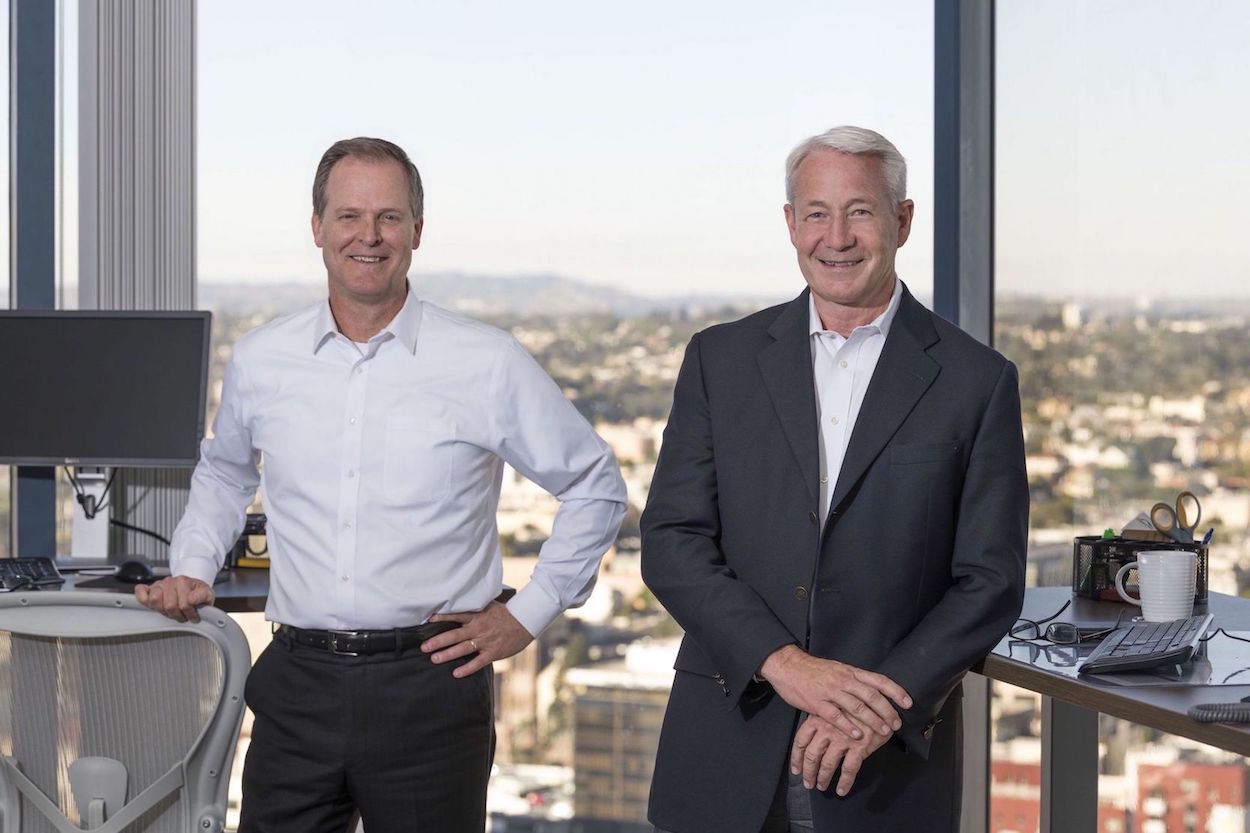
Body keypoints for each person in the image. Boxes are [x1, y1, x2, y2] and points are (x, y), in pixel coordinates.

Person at [136, 137, 627, 833]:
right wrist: (191, 565)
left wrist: (529, 614)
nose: (369, 235)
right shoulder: (262, 359)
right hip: (296, 681)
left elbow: (596, 484)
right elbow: (224, 470)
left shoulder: (485, 362)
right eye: (348, 216)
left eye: (389, 218)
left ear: (417, 232)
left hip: (430, 684)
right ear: (317, 228)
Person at [641, 126, 1028, 833]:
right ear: (790, 224)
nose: (837, 235)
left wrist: (882, 704)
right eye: (816, 212)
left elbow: (990, 580)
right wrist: (781, 663)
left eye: (861, 211)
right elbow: (671, 540)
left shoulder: (977, 382)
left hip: (883, 769)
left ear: (902, 221)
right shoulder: (718, 361)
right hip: (727, 745)